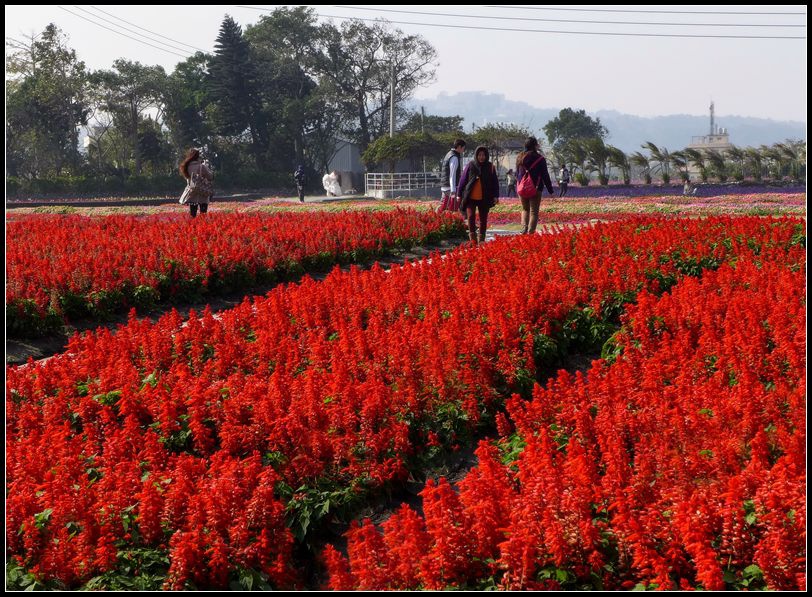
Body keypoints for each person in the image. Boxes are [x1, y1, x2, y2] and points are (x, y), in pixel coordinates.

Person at [457, 145, 499, 245]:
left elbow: (495, 183)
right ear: (476, 155)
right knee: (470, 216)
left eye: (483, 155)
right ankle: (473, 239)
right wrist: (459, 194)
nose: (481, 157)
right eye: (479, 155)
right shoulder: (470, 165)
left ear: (486, 156)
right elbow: (462, 180)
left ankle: (481, 239)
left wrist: (496, 196)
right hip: (471, 197)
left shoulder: (490, 167)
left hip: (485, 197)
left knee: (483, 218)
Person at [516, 137, 554, 234]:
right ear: (535, 145)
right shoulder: (540, 159)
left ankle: (524, 228)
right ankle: (531, 232)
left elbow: (517, 173)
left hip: (522, 188)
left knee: (525, 209)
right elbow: (545, 175)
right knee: (534, 212)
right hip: (536, 188)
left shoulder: (520, 157)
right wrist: (550, 190)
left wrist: (520, 184)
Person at [179, 148, 213, 217]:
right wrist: (207, 167)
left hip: (192, 193)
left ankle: (193, 227)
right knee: (203, 215)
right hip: (202, 193)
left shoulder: (186, 166)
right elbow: (210, 177)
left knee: (193, 215)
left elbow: (187, 178)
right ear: (198, 156)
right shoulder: (202, 166)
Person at [439, 138, 466, 212]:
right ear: (459, 147)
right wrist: (453, 190)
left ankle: (435, 218)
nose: (464, 150)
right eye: (463, 148)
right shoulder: (454, 157)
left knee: (443, 206)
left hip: (446, 186)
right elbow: (452, 175)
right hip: (450, 188)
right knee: (452, 208)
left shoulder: (449, 154)